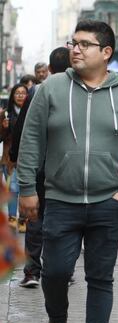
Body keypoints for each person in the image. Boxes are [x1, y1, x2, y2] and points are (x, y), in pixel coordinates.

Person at [17, 20, 118, 323]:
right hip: (61, 200)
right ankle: (58, 320)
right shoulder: (50, 89)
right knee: (57, 271)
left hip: (110, 201)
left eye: (84, 44)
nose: (75, 49)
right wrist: (27, 190)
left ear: (106, 52)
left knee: (100, 278)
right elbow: (31, 139)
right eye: (73, 42)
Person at [12, 47, 72, 289]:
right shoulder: (67, 90)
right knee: (62, 222)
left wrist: (18, 158)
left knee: (36, 221)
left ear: (49, 68)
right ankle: (59, 271)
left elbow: (23, 131)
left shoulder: (38, 90)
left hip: (40, 167)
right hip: (62, 169)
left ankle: (32, 270)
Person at [1, 84, 29, 233]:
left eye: (23, 93)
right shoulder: (5, 114)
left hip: (27, 159)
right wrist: (3, 128)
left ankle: (23, 219)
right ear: (12, 96)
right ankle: (12, 217)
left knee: (25, 189)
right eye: (17, 93)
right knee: (12, 189)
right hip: (10, 160)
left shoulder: (32, 112)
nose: (20, 96)